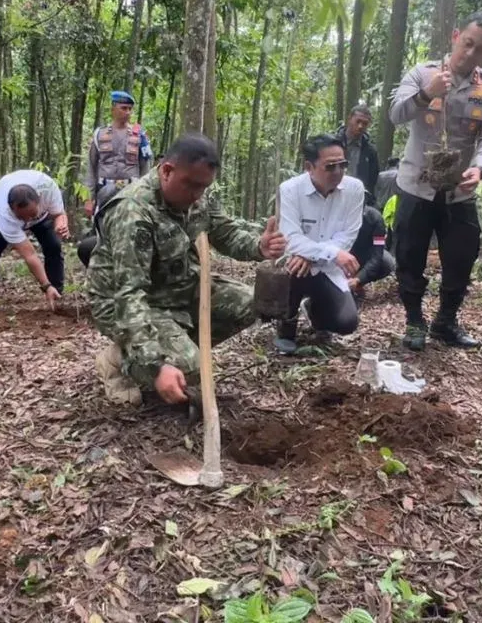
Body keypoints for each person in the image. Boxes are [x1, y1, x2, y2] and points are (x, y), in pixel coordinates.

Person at [87, 133, 286, 406]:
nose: (197, 196)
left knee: (251, 304)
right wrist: (157, 366)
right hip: (127, 304)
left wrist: (259, 246)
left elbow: (225, 233)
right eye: (191, 186)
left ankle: (173, 348)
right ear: (167, 171)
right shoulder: (133, 213)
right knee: (190, 370)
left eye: (203, 187)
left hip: (178, 288)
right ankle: (121, 360)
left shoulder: (197, 197)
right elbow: (129, 295)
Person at [388, 11, 482, 351]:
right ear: (456, 36)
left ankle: (445, 321)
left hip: (459, 192)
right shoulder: (423, 73)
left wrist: (480, 168)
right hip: (415, 186)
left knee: (461, 257)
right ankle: (414, 321)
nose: (470, 53)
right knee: (410, 257)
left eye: (481, 49)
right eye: (467, 43)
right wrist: (427, 93)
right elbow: (395, 115)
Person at [273, 134, 364, 354]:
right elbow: (291, 236)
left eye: (342, 165)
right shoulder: (290, 189)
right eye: (330, 167)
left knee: (346, 323)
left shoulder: (354, 189)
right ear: (309, 167)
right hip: (297, 264)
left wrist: (312, 253)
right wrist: (330, 252)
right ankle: (287, 324)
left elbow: (349, 234)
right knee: (295, 264)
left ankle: (315, 311)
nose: (338, 172)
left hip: (328, 269)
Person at [0, 169, 69, 314]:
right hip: (2, 217)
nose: (27, 221)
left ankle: (56, 295)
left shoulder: (48, 188)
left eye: (30, 214)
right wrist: (45, 285)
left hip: (42, 217)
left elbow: (59, 214)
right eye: (22, 217)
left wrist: (61, 224)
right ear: (12, 209)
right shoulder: (4, 214)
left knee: (53, 246)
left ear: (39, 199)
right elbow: (30, 255)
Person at [85, 90, 153, 218]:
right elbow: (91, 167)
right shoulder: (99, 134)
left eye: (130, 109)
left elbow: (145, 168)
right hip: (104, 190)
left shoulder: (140, 135)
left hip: (131, 191)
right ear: (113, 109)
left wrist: (145, 196)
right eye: (123, 108)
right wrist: (89, 198)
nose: (127, 112)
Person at [336, 104, 380, 206]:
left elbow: (372, 181)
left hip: (357, 200)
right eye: (358, 121)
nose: (360, 126)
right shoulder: (334, 144)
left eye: (364, 123)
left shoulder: (370, 152)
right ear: (349, 119)